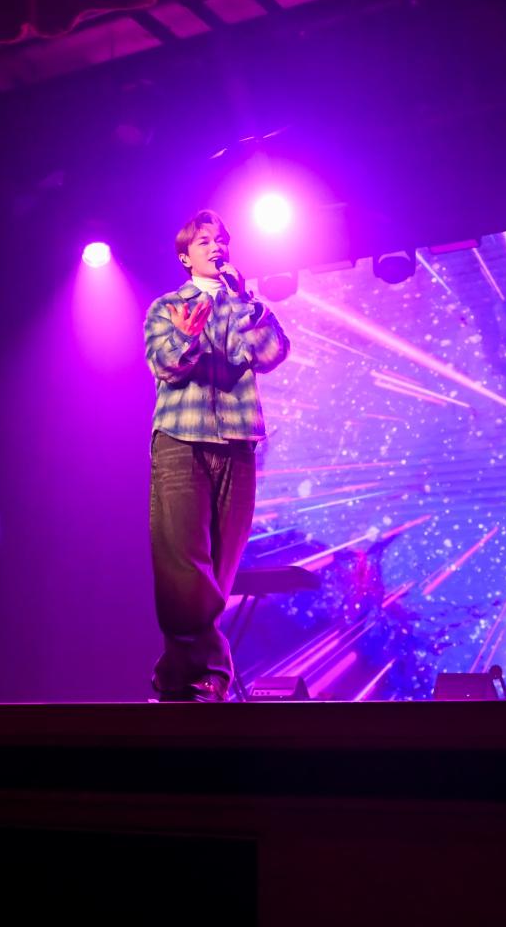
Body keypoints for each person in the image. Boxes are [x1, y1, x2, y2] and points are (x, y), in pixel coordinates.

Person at [143, 210, 291, 701]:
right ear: (186, 257)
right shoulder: (167, 306)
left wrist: (248, 303)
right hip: (181, 439)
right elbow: (163, 364)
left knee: (220, 565)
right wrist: (187, 335)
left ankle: (174, 674)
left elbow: (271, 355)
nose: (216, 246)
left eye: (221, 239)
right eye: (204, 241)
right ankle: (212, 670)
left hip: (237, 441)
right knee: (184, 560)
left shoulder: (244, 304)